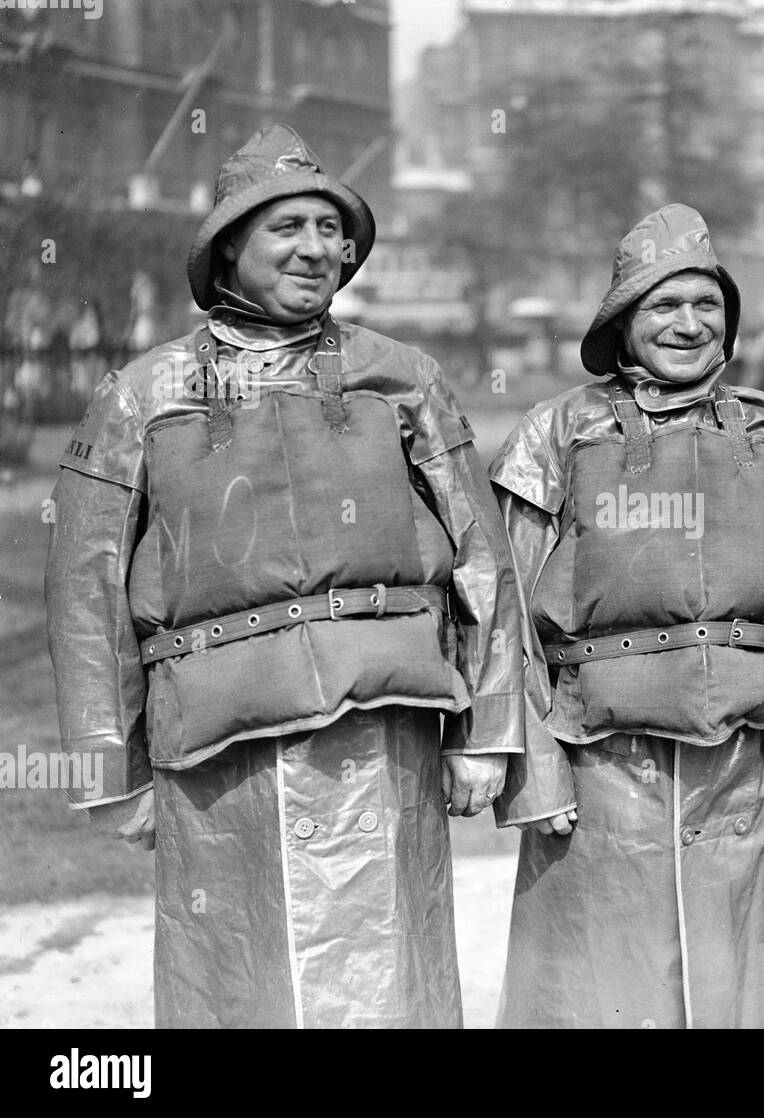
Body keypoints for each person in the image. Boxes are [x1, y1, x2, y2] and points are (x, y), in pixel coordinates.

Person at [44, 124, 525, 1028]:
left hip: (382, 738)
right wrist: (112, 765)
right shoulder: (142, 395)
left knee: (391, 984)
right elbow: (88, 585)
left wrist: (488, 732)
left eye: (329, 228)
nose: (316, 248)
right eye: (287, 227)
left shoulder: (403, 378)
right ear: (231, 245)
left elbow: (482, 560)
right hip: (218, 750)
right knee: (235, 980)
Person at [487, 203, 764, 1029]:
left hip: (743, 763)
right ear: (623, 323)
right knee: (600, 984)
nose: (689, 325)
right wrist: (535, 771)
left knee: (742, 974)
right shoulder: (556, 434)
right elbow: (502, 619)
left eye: (706, 305)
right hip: (598, 763)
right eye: (664, 305)